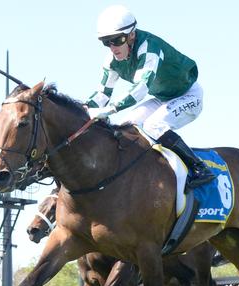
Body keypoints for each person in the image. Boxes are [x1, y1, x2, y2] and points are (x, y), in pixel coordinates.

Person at [86, 5, 214, 189]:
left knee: (154, 125)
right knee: (126, 126)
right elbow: (102, 94)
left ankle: (199, 167)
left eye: (117, 40)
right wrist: (82, 109)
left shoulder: (149, 47)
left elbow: (141, 88)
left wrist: (110, 109)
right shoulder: (111, 61)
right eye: (107, 42)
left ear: (131, 35)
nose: (113, 48)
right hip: (163, 98)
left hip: (189, 95)